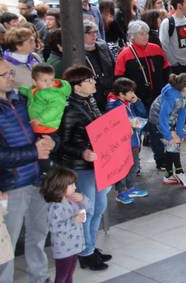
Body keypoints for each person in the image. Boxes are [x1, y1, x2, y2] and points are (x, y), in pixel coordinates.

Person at [0, 55, 56, 283]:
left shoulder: (23, 100)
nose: (11, 78)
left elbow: (45, 125)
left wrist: (52, 141)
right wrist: (35, 152)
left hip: (37, 177)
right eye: (5, 75)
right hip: (11, 185)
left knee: (39, 233)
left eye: (11, 73)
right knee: (6, 245)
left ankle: (39, 276)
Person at [57, 64, 112, 271]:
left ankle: (90, 246)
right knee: (85, 210)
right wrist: (82, 152)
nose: (94, 82)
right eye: (89, 81)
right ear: (77, 87)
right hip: (80, 167)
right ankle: (85, 252)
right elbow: (62, 142)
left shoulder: (90, 101)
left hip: (97, 164)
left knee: (99, 207)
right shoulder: (70, 109)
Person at [18, 63, 70, 172]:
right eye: (45, 80)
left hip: (46, 126)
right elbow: (28, 92)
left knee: (44, 150)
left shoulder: (54, 94)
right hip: (37, 126)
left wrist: (40, 119)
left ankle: (47, 171)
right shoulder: (34, 90)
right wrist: (18, 90)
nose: (49, 83)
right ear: (34, 82)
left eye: (51, 80)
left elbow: (55, 109)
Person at [149, 73, 186, 188]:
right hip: (158, 122)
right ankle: (180, 172)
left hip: (170, 120)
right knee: (174, 144)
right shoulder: (171, 96)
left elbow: (182, 114)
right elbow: (162, 118)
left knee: (174, 144)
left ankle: (168, 174)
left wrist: (179, 132)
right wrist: (169, 135)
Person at [40, 167, 88, 283]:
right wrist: (74, 220)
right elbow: (55, 227)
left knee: (69, 273)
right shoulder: (55, 206)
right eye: (71, 185)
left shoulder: (70, 199)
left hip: (74, 246)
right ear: (60, 187)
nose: (75, 187)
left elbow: (88, 206)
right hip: (64, 249)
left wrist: (82, 198)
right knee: (62, 276)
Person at [105, 78, 149, 205]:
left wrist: (137, 102)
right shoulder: (113, 106)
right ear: (120, 94)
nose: (132, 94)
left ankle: (130, 188)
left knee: (134, 165)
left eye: (133, 91)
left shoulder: (128, 102)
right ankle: (121, 192)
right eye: (129, 92)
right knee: (122, 168)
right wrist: (129, 123)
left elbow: (142, 113)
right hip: (122, 143)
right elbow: (114, 125)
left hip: (133, 140)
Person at [159, 0, 186, 73]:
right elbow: (164, 44)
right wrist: (173, 62)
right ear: (179, 6)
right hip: (177, 66)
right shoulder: (167, 22)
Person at [83, 20, 115, 110]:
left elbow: (113, 65)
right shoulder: (78, 53)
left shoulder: (103, 46)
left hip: (111, 93)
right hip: (94, 96)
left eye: (95, 32)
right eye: (90, 33)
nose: (94, 35)